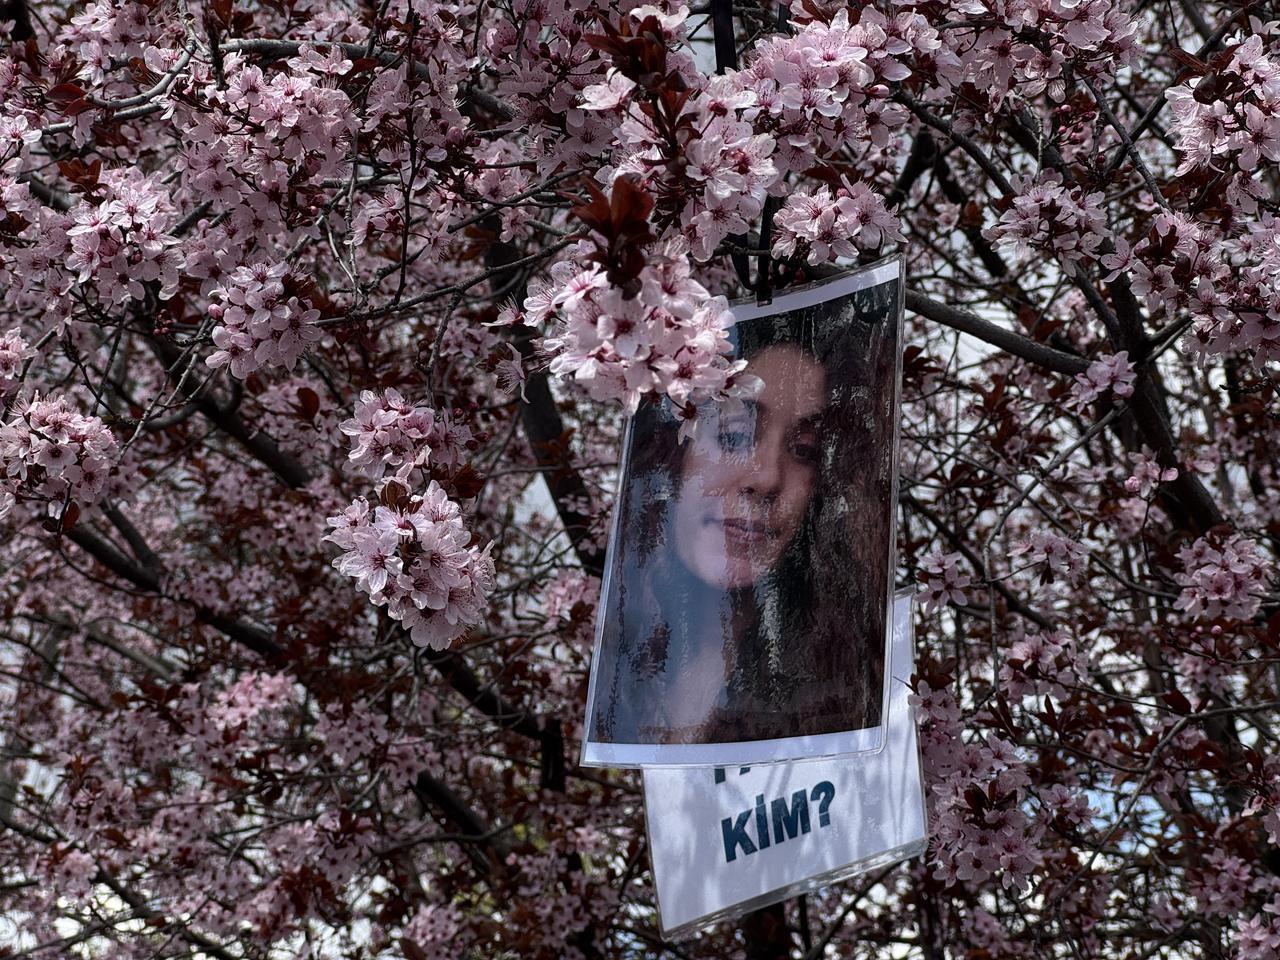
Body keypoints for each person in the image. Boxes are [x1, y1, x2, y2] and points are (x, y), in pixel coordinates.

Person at [588, 283, 897, 751]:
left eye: (806, 451)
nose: (768, 478)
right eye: (734, 434)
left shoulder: (847, 698)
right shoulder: (606, 677)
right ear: (670, 454)